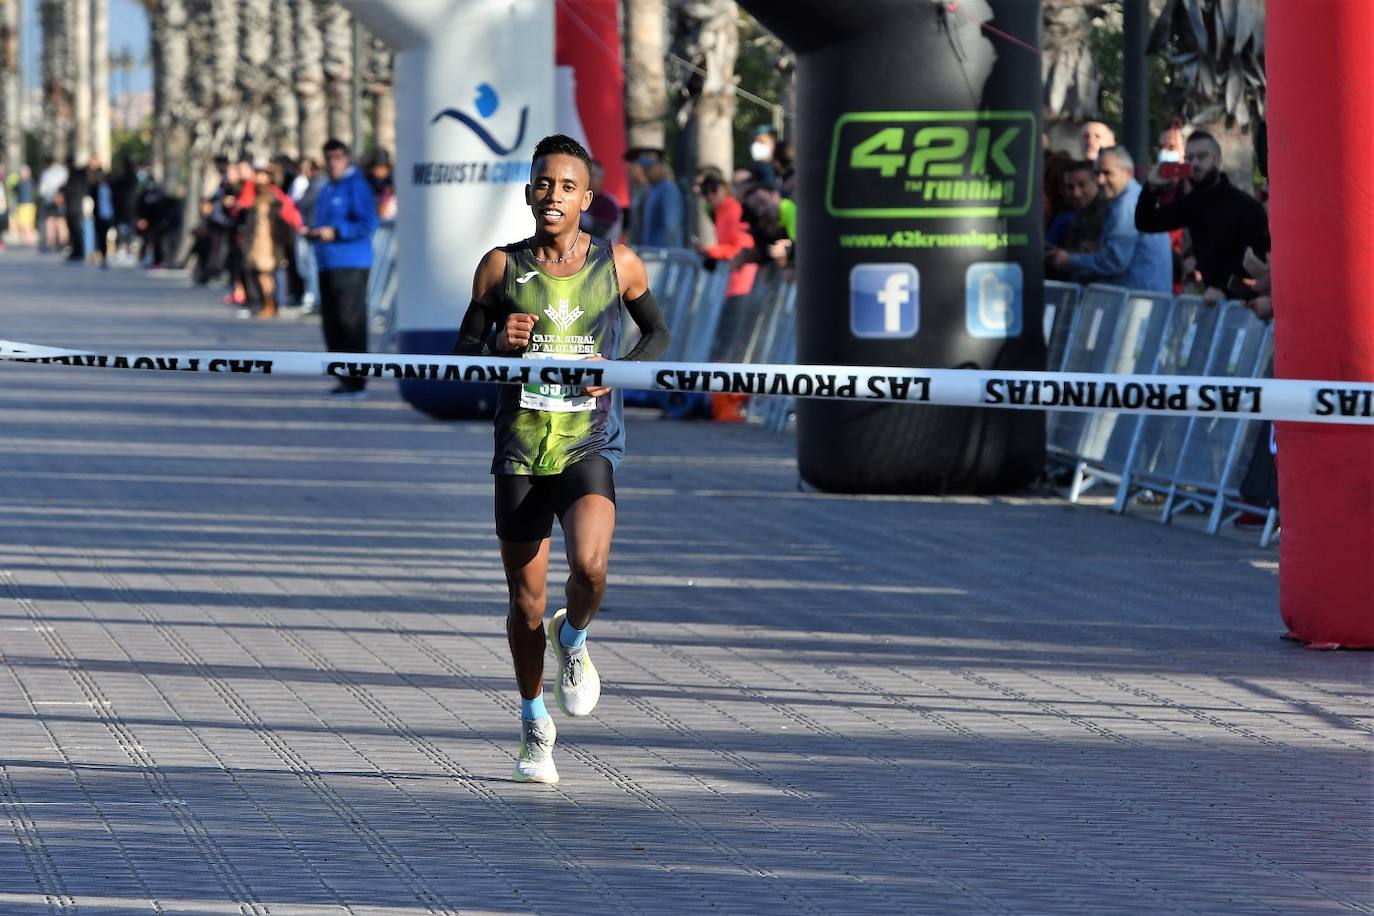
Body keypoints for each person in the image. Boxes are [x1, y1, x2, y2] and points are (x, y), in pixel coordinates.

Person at [452, 134, 670, 784]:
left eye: (567, 186)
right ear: (528, 194)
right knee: (524, 604)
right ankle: (532, 718)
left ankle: (572, 638)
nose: (554, 196)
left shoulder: (619, 262)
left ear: (587, 199)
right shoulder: (499, 267)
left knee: (593, 568)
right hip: (521, 450)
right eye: (544, 184)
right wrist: (497, 343)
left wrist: (622, 372)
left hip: (587, 442)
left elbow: (657, 334)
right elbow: (460, 359)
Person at [1135, 129, 1270, 304]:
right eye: (1189, 158)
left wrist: (1226, 289)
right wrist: (1152, 188)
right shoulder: (1192, 204)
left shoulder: (1246, 207)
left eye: (1202, 156)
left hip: (1246, 309)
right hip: (1213, 305)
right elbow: (1146, 222)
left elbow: (1262, 267)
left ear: (1218, 158)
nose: (1195, 164)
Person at [306, 138, 377, 398]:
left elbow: (368, 224)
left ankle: (357, 380)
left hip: (351, 262)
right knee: (332, 323)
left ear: (346, 158)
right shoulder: (327, 188)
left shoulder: (356, 186)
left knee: (351, 323)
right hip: (327, 263)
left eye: (337, 157)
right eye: (328, 157)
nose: (333, 162)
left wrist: (337, 232)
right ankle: (342, 376)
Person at [1048, 146, 1171, 293]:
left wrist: (1071, 260)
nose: (1100, 180)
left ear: (1128, 172)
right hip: (1141, 299)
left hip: (1135, 302)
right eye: (1097, 173)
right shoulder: (1133, 200)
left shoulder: (1127, 206)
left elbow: (1115, 261)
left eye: (1107, 173)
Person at [241, 163, 302, 318]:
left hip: (270, 242)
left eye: (263, 175)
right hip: (256, 241)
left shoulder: (274, 197)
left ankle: (272, 303)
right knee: (259, 274)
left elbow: (285, 219)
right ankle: (264, 302)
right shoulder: (254, 195)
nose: (260, 179)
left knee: (267, 274)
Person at [1045, 160, 1108, 279]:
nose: (1076, 193)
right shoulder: (1079, 214)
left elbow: (1100, 254)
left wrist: (1068, 257)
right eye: (1070, 187)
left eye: (1082, 185)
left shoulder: (1107, 213)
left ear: (1096, 183)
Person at [636, 155, 684, 248]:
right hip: (653, 253)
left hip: (664, 255)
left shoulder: (668, 189)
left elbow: (672, 226)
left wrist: (669, 253)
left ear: (661, 166)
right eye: (645, 168)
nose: (647, 171)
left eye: (651, 167)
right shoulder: (652, 189)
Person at [580, 158, 621, 240]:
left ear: (601, 178)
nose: (588, 179)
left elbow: (599, 233)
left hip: (602, 250)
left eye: (592, 175)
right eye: (585, 175)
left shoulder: (608, 203)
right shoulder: (578, 198)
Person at [37, 158, 68, 252]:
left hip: (49, 200)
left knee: (50, 222)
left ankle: (50, 243)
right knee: (61, 221)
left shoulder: (47, 173)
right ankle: (63, 243)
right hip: (61, 199)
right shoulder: (64, 172)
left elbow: (42, 190)